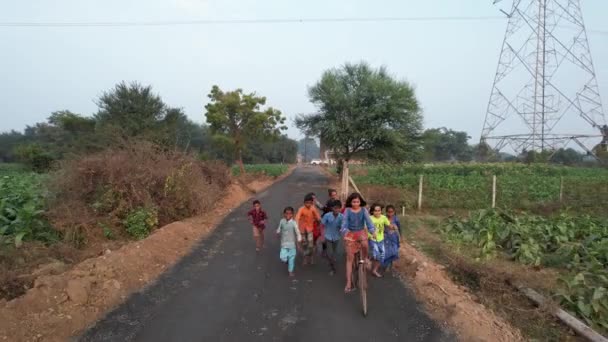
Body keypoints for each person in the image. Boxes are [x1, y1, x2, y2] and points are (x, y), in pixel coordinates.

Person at [340, 192, 376, 293]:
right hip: (350, 233)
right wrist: (346, 232)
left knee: (365, 244)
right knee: (349, 258)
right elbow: (344, 223)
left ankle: (365, 259)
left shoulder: (364, 210)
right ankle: (348, 283)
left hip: (361, 232)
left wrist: (372, 231)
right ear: (350, 202)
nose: (356, 204)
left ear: (360, 202)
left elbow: (369, 222)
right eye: (354, 202)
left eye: (357, 202)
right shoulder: (347, 211)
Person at [296, 194, 322, 265]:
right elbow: (297, 217)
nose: (308, 204)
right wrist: (296, 224)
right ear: (304, 203)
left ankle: (311, 258)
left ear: (312, 203)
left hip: (310, 229)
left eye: (310, 203)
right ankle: (305, 258)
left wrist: (319, 220)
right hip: (302, 229)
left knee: (311, 244)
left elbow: (318, 216)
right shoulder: (301, 209)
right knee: (304, 244)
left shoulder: (313, 208)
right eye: (306, 203)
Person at [276, 207, 302, 277]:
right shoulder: (282, 221)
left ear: (292, 215)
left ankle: (290, 271)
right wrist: (278, 232)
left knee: (292, 259)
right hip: (284, 244)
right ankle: (286, 259)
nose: (288, 215)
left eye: (290, 214)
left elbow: (298, 233)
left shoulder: (294, 223)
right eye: (286, 213)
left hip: (292, 245)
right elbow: (279, 228)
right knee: (283, 258)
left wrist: (299, 241)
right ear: (284, 214)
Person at [320, 199, 343, 275]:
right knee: (330, 253)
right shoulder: (327, 215)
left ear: (340, 208)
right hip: (328, 237)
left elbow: (344, 227)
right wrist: (322, 236)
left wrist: (342, 230)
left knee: (334, 253)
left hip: (337, 237)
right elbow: (322, 226)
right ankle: (332, 268)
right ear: (332, 208)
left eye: (338, 208)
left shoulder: (342, 217)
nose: (336, 210)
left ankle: (332, 261)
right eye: (335, 208)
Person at [369, 203, 390, 278]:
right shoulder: (369, 218)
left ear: (381, 211)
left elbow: (388, 224)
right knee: (377, 254)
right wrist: (371, 234)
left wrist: (393, 227)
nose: (377, 212)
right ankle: (371, 259)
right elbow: (365, 229)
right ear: (372, 211)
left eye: (379, 210)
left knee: (382, 256)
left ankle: (374, 269)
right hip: (372, 239)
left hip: (381, 239)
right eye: (375, 211)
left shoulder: (383, 217)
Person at [382, 205, 401, 271]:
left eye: (392, 212)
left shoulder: (396, 219)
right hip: (386, 238)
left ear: (394, 212)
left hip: (394, 238)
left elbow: (399, 228)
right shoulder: (384, 218)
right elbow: (381, 227)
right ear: (386, 212)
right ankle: (387, 265)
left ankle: (391, 264)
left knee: (394, 251)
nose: (390, 213)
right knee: (387, 252)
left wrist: (400, 237)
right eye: (389, 212)